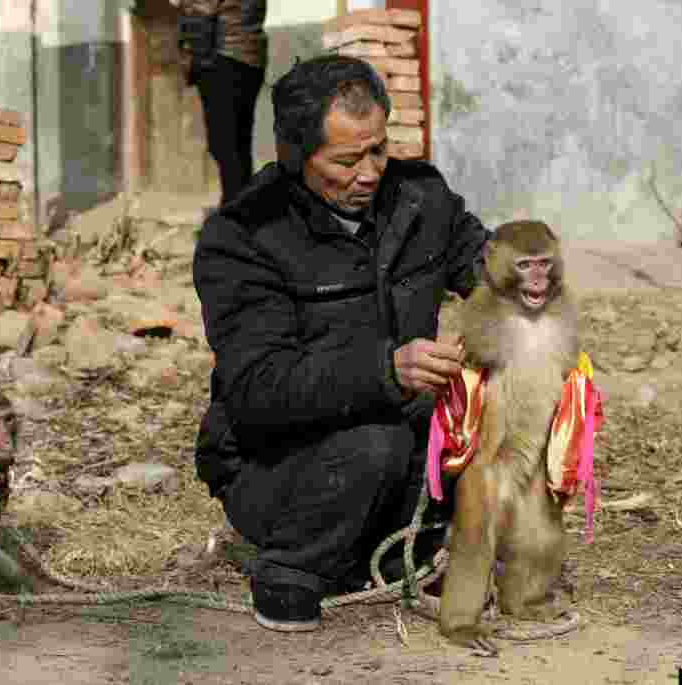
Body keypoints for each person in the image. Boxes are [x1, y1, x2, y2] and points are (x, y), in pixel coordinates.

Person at [192, 55, 491, 633]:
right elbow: (258, 390)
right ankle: (291, 569)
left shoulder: (420, 198)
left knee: (491, 407)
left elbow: (484, 267)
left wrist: (526, 277)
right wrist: (385, 371)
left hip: (404, 436)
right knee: (373, 444)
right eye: (347, 160)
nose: (371, 172)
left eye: (378, 150)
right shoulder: (244, 235)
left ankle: (417, 551)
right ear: (295, 155)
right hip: (279, 463)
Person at [175, 0, 268, 206]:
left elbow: (201, 12)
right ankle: (243, 211)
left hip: (223, 59)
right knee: (239, 145)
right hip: (251, 57)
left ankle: (235, 217)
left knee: (224, 146)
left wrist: (195, 64)